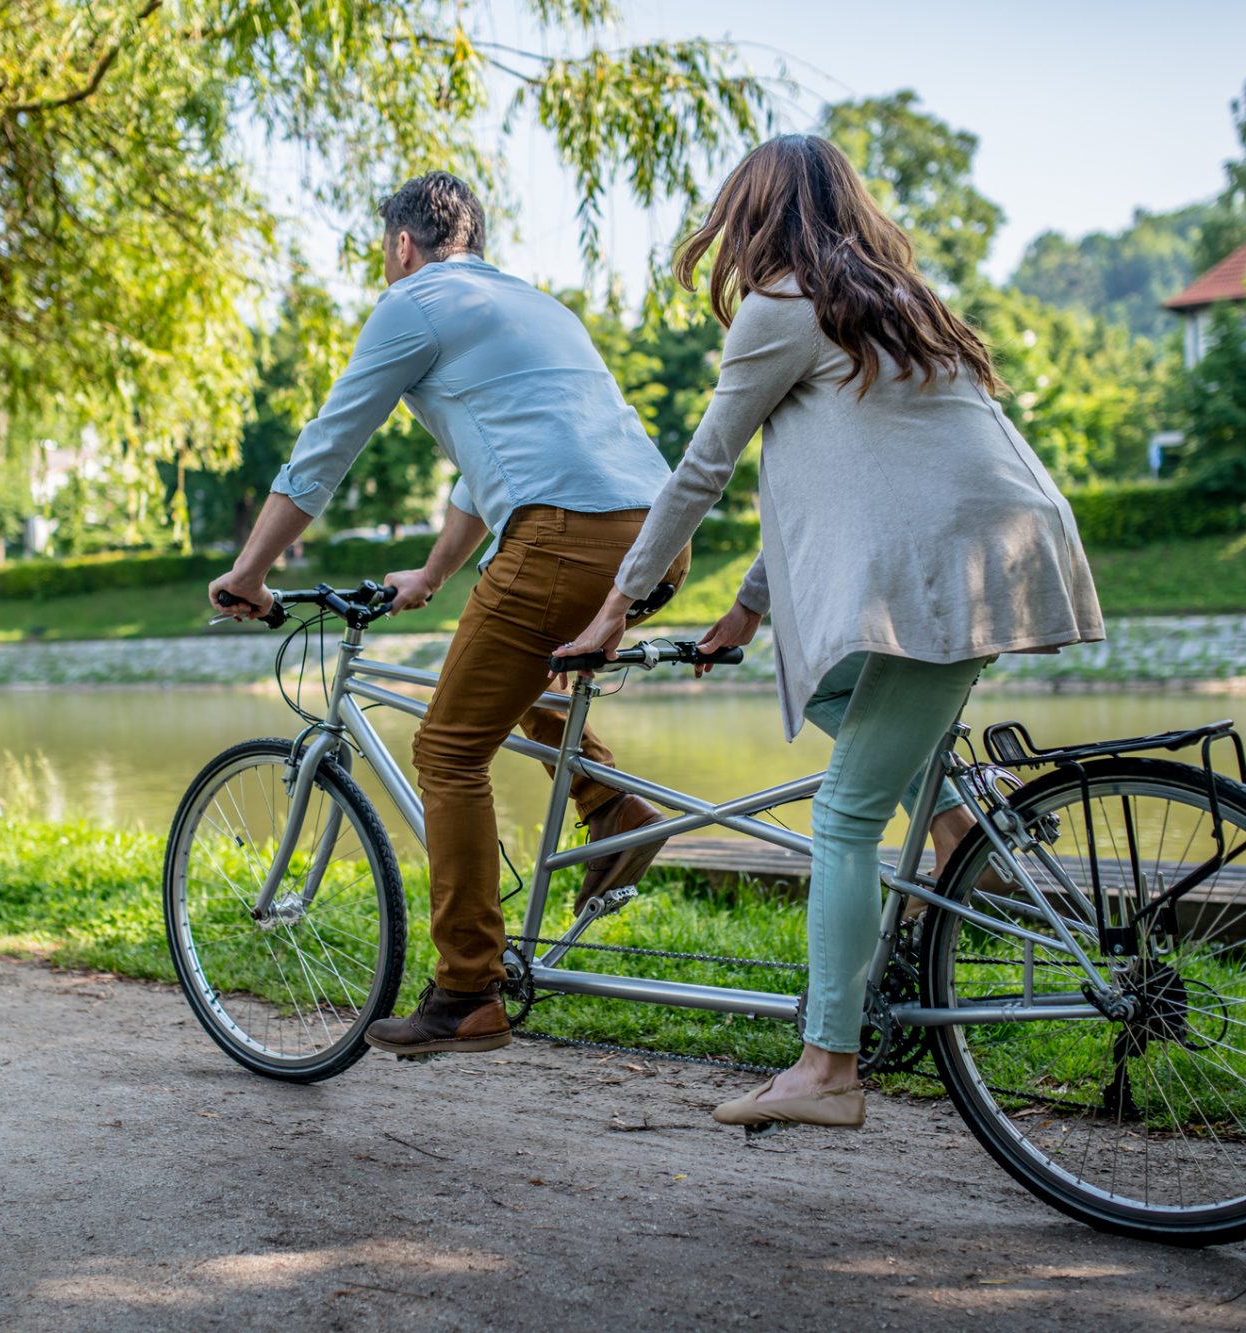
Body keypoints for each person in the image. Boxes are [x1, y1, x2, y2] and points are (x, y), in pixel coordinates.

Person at [558, 135, 1103, 1130]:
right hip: (996, 542)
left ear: (751, 215)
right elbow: (844, 476)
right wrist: (750, 608)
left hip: (935, 564)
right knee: (824, 688)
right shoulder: (898, 305)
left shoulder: (779, 308)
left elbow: (703, 468)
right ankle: (953, 824)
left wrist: (616, 605)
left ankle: (827, 1065)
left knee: (845, 817)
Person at [208, 171, 690, 1056]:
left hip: (563, 535)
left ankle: (468, 985)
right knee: (505, 682)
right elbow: (498, 455)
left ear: (401, 245)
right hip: (654, 534)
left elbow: (326, 447)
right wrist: (433, 572)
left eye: (386, 254)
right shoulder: (531, 305)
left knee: (447, 747)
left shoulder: (415, 302)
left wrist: (249, 571)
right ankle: (613, 809)